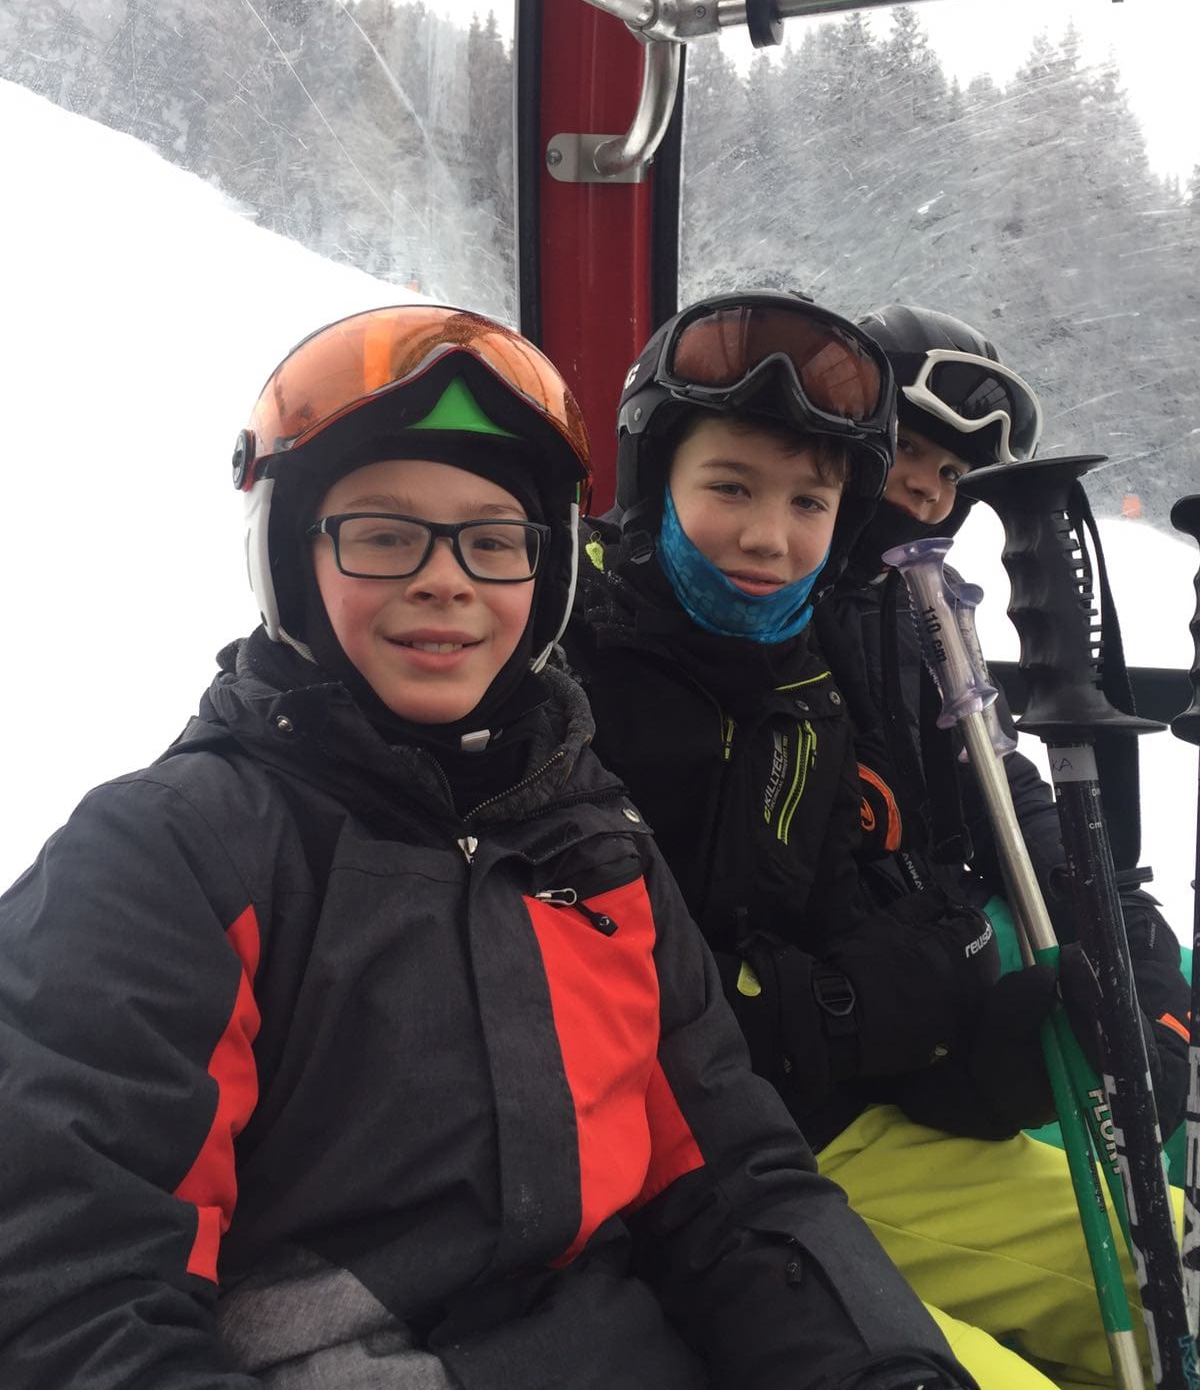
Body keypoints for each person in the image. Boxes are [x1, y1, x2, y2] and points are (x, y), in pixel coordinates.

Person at [0, 302, 976, 1390]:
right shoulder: (166, 858)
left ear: (543, 574)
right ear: (288, 558)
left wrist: (882, 1368)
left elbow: (734, 1183)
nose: (447, 579)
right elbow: (75, 1302)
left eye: (493, 540)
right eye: (382, 533)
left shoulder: (594, 843)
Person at [562, 289, 1071, 1387]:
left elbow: (849, 889)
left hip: (810, 1122)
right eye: (730, 487)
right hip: (674, 1170)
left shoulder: (806, 675)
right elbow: (593, 987)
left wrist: (959, 1046)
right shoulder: (564, 663)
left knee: (1153, 1252)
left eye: (808, 501)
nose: (769, 536)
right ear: (655, 480)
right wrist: (857, 1004)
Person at [812, 302, 1190, 1384]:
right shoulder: (760, 639)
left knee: (1176, 1268)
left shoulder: (908, 623)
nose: (927, 491)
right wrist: (951, 1049)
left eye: (950, 475)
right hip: (823, 1122)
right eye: (906, 452)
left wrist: (1131, 941)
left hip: (902, 1087)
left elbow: (1014, 803)